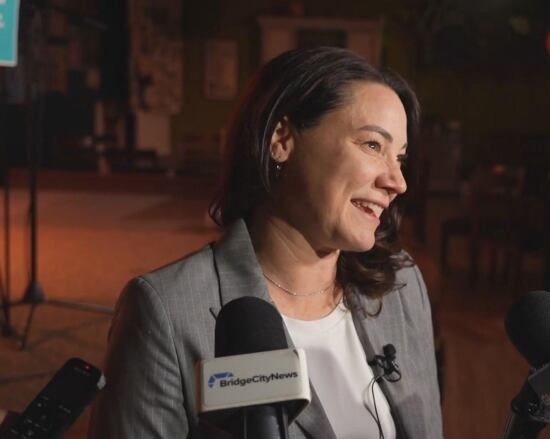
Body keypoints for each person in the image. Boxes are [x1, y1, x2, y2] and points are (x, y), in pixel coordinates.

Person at [88, 47, 443, 439]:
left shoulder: (401, 285)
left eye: (401, 158)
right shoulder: (165, 311)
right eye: (373, 145)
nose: (397, 181)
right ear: (282, 138)